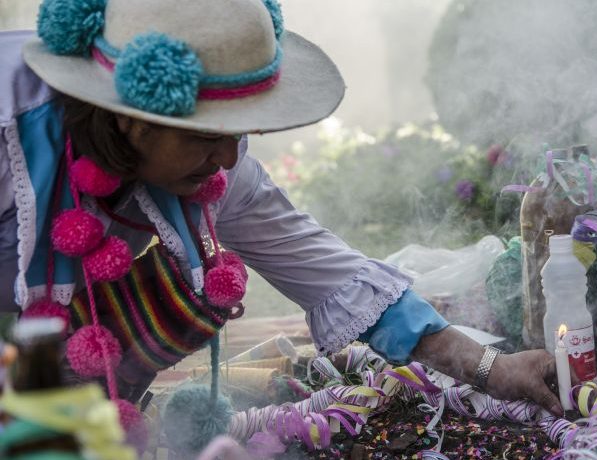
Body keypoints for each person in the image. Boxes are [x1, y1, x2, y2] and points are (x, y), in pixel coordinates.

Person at [0, 0, 565, 426]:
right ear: (127, 117)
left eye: (241, 130)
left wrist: (493, 369)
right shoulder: (10, 136)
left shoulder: (217, 172)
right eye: (208, 136)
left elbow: (330, 273)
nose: (228, 155)